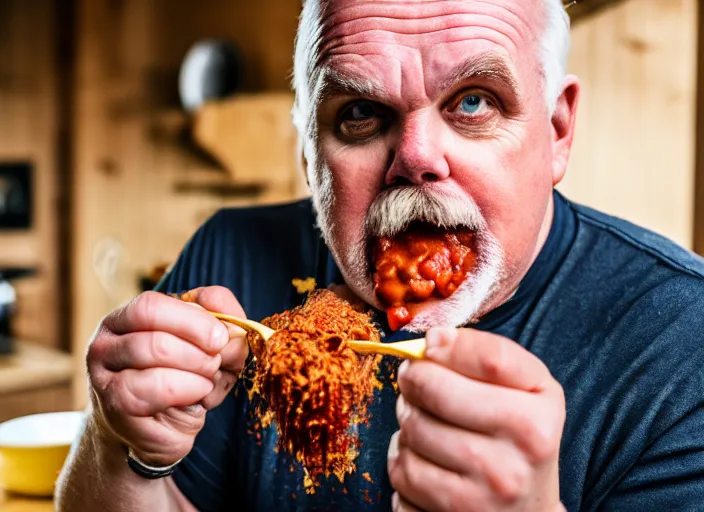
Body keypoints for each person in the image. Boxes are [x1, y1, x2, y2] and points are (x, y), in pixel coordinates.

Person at [55, 0, 704, 510]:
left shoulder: (683, 340)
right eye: (360, 112)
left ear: (558, 131)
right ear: (307, 153)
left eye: (473, 102)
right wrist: (121, 444)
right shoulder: (228, 257)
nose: (417, 157)